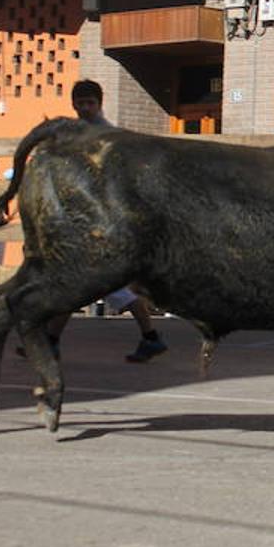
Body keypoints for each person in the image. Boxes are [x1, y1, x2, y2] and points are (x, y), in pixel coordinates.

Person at [42, 80, 168, 362]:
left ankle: (150, 336)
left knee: (87, 282)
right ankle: (149, 337)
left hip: (101, 218)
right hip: (87, 217)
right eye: (81, 102)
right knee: (82, 283)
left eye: (90, 103)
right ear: (73, 103)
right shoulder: (75, 132)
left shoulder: (105, 135)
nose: (85, 107)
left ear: (100, 104)